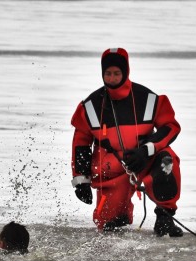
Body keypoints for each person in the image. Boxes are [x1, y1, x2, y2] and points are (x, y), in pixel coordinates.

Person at [70, 47, 183, 237]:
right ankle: (119, 217)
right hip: (111, 173)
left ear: (126, 72)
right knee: (108, 226)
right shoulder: (90, 106)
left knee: (167, 160)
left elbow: (170, 127)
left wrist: (146, 150)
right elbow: (80, 144)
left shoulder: (148, 99)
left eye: (117, 73)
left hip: (144, 161)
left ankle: (165, 217)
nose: (112, 78)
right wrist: (81, 180)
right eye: (108, 73)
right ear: (102, 73)